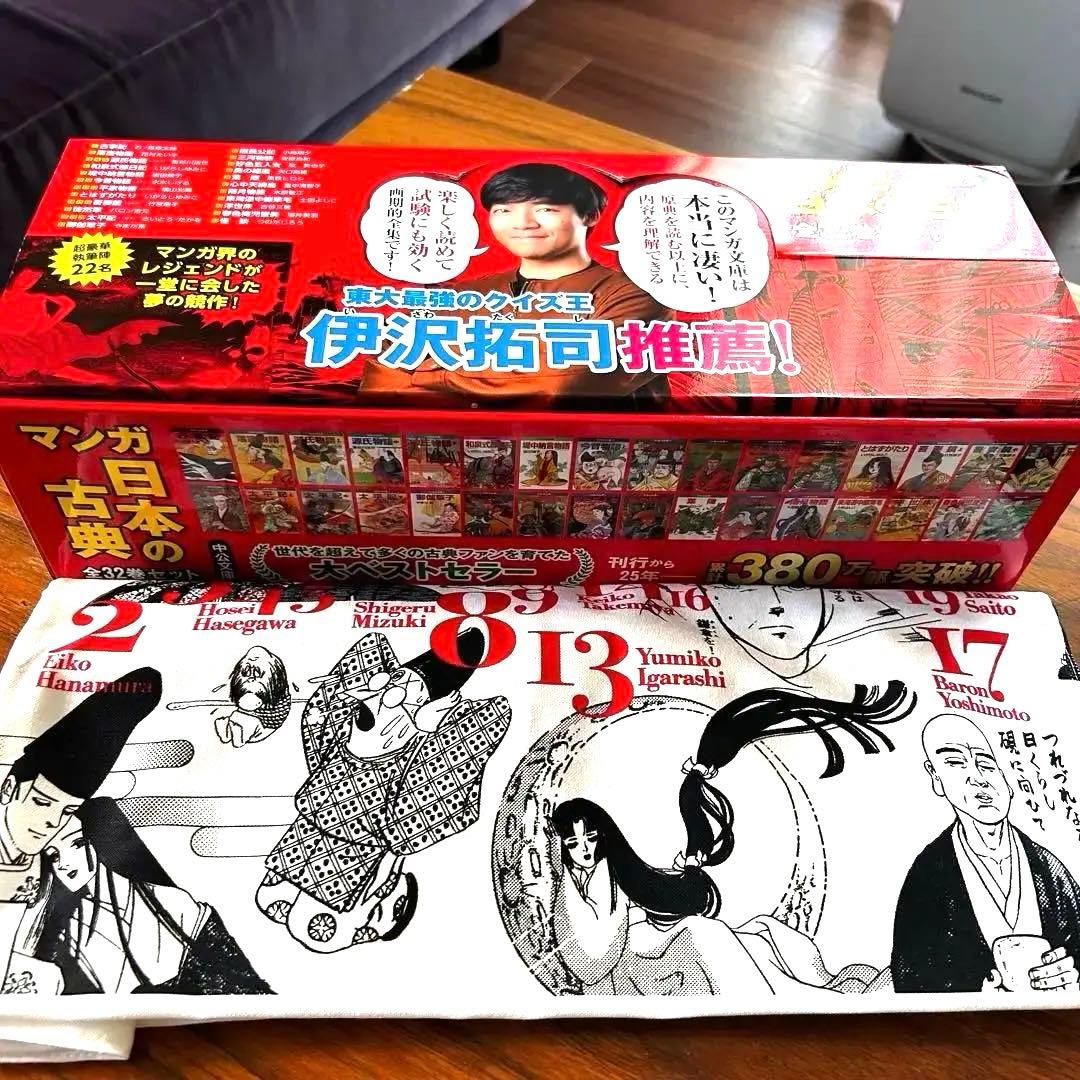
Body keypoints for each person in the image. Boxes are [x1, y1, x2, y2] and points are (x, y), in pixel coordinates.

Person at [547, 682, 914, 995]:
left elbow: (596, 952)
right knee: (745, 939)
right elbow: (593, 955)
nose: (584, 850)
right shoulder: (597, 877)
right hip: (654, 946)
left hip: (666, 941)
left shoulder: (612, 875)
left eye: (589, 838)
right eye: (573, 842)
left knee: (765, 942)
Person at [255, 629, 511, 952]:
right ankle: (307, 901)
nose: (391, 696)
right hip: (315, 828)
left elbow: (430, 789)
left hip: (355, 845)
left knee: (313, 918)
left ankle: (345, 921)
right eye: (394, 682)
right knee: (275, 895)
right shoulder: (344, 736)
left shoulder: (409, 764)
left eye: (410, 697)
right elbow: (326, 711)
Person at [360, 162, 670, 405]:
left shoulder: (635, 294)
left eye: (545, 209)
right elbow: (380, 378)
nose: (522, 223)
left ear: (590, 215)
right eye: (504, 210)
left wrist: (429, 377)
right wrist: (505, 383)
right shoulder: (464, 294)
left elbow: (563, 385)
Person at [892, 714, 1080, 994]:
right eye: (955, 762)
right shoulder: (928, 875)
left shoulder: (1048, 869)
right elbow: (910, 979)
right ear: (935, 777)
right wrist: (975, 994)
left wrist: (1072, 974)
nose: (978, 778)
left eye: (986, 763)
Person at [0, 670, 161, 988]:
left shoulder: (58, 873)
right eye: (42, 802)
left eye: (67, 811)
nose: (51, 822)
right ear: (9, 789)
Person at [34, 798, 269, 994]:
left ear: (101, 839)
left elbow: (246, 989)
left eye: (77, 843)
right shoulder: (64, 933)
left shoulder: (174, 904)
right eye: (53, 855)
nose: (63, 863)